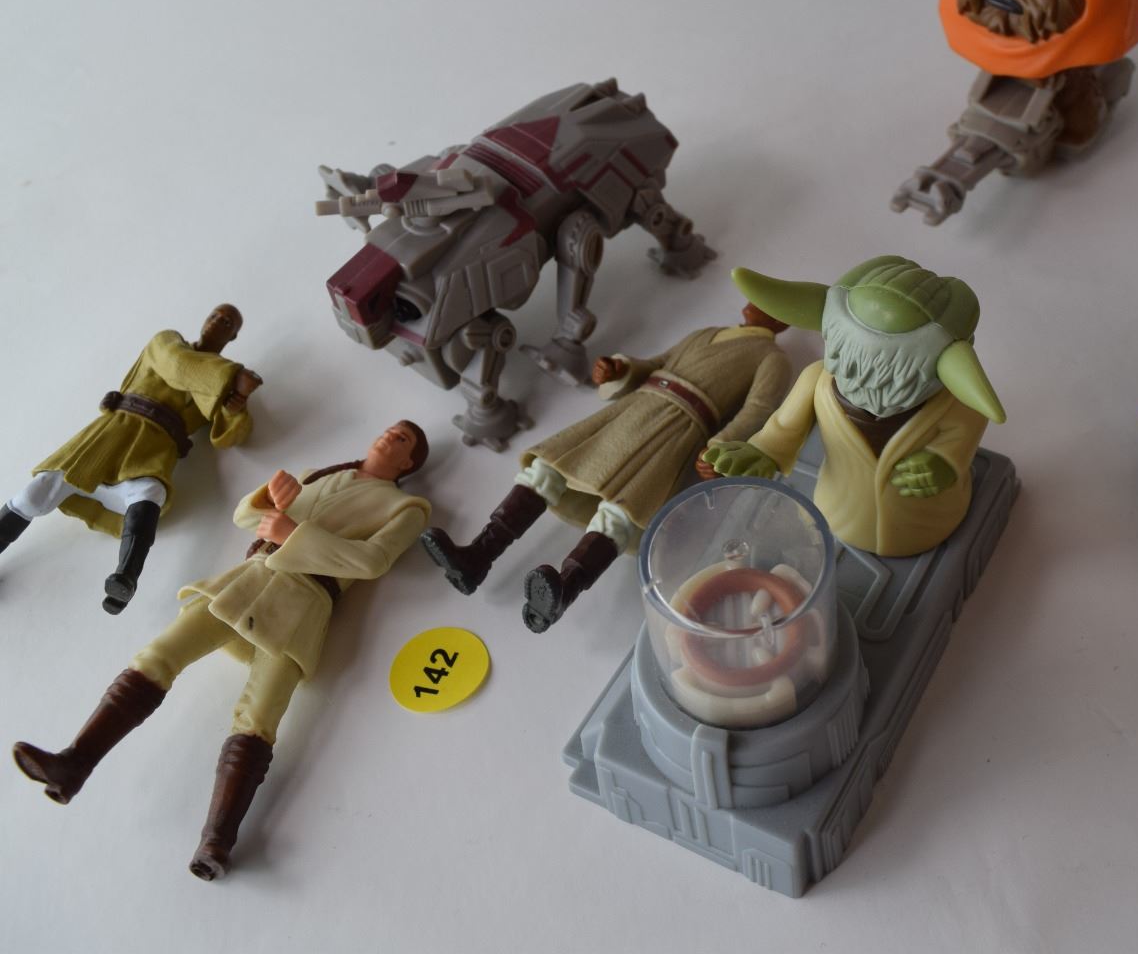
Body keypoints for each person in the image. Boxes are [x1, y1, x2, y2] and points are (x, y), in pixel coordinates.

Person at [12, 421, 430, 881]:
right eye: (390, 430)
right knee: (158, 656)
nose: (390, 436)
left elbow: (371, 561)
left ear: (408, 462)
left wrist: (295, 534)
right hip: (246, 580)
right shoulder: (317, 475)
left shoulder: (406, 507)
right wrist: (268, 499)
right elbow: (247, 520)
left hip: (303, 605)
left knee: (259, 717)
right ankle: (74, 763)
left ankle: (217, 841)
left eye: (403, 439)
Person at [421, 306, 791, 632]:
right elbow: (657, 363)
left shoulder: (771, 357)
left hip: (676, 428)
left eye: (767, 298)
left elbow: (758, 409)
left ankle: (565, 588)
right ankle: (478, 555)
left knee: (626, 504)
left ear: (782, 318)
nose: (753, 301)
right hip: (634, 408)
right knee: (552, 463)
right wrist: (621, 369)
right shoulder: (707, 332)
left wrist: (720, 446)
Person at [705, 256, 1005, 559]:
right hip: (838, 508)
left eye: (896, 378)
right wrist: (762, 452)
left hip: (928, 520)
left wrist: (944, 462)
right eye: (844, 359)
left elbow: (965, 432)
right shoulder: (816, 379)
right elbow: (784, 427)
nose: (859, 382)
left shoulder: (954, 401)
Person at [0, 304, 261, 612]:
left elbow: (231, 435)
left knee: (150, 492)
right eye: (215, 315)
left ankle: (125, 577)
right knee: (40, 489)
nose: (217, 322)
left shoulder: (221, 384)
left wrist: (236, 402)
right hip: (111, 434)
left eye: (227, 322)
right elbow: (178, 365)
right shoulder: (168, 343)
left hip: (155, 447)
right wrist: (232, 378)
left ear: (233, 335)